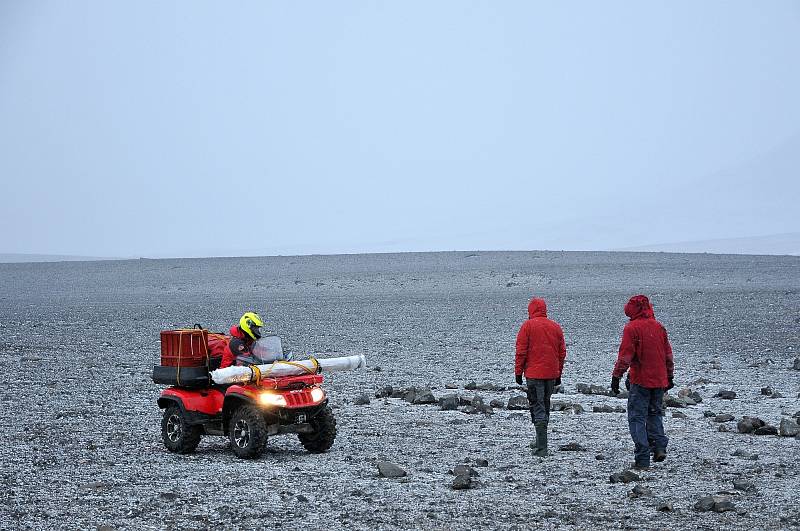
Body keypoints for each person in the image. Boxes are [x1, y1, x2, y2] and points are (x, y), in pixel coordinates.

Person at [610, 295, 674, 470]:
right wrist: (670, 376)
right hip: (659, 380)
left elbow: (625, 357)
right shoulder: (659, 327)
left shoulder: (632, 328)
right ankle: (659, 445)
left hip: (641, 380)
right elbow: (668, 354)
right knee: (655, 414)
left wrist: (616, 377)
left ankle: (643, 457)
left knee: (637, 418)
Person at [514, 297, 567, 457]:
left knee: (537, 406)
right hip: (551, 374)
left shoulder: (527, 326)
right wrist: (558, 373)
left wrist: (518, 372)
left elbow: (521, 351)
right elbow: (561, 353)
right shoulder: (555, 327)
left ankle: (541, 447)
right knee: (545, 404)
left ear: (531, 310)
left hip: (534, 374)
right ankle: (539, 440)